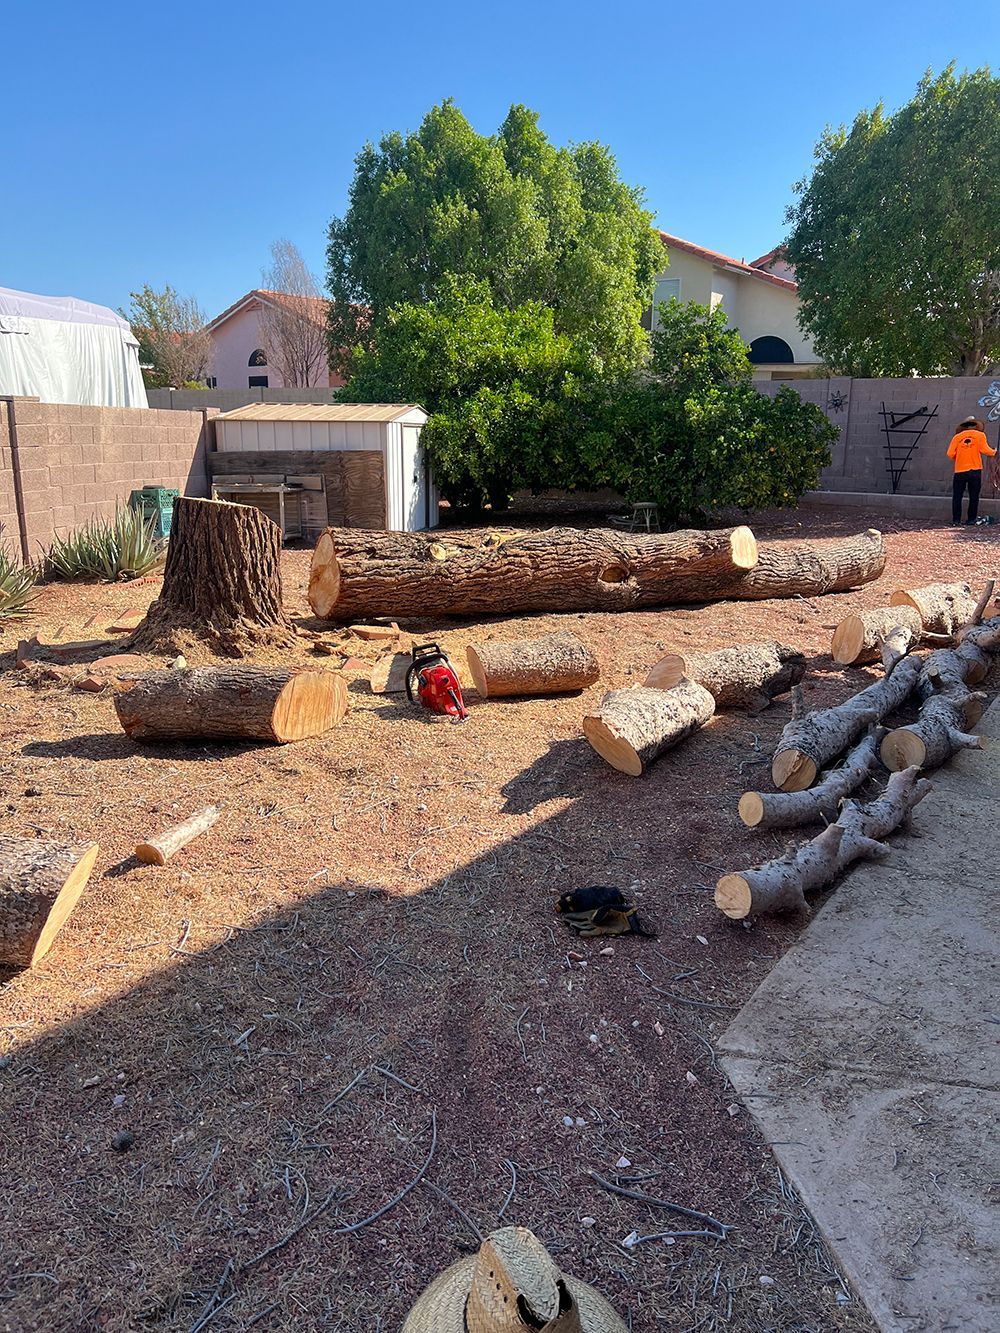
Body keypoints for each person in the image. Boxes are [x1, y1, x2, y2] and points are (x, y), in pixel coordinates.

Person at [947, 416, 996, 525]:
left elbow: (950, 453)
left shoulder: (957, 437)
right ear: (975, 426)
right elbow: (985, 450)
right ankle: (971, 519)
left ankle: (956, 520)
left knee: (957, 496)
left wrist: (959, 457)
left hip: (960, 470)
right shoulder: (980, 435)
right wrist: (994, 452)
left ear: (964, 426)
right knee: (974, 496)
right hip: (975, 470)